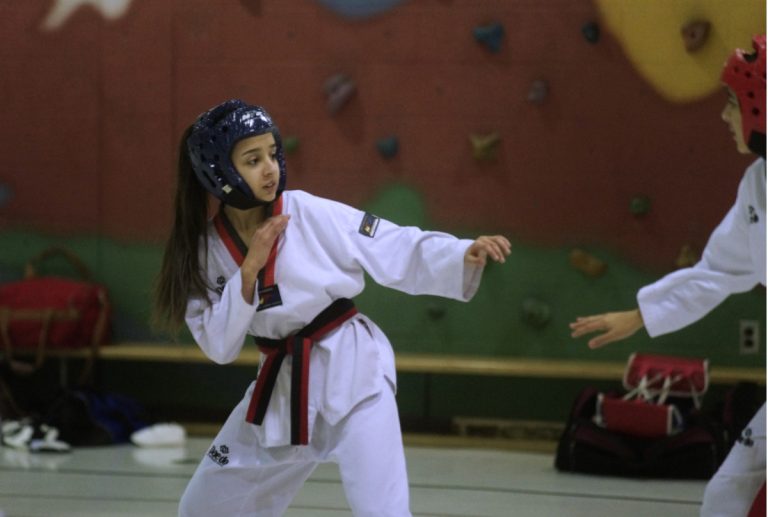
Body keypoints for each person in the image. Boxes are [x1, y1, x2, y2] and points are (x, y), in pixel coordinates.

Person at [152, 99, 511, 517]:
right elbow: (220, 347)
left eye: (273, 153)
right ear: (219, 172)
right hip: (281, 387)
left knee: (383, 510)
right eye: (253, 160)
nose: (270, 168)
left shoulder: (306, 211)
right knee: (203, 507)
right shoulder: (203, 252)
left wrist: (459, 253)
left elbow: (387, 242)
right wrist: (248, 271)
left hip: (353, 371)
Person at [570, 35, 766, 517]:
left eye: (731, 103)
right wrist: (640, 315)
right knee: (727, 497)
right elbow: (718, 272)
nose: (724, 117)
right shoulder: (757, 186)